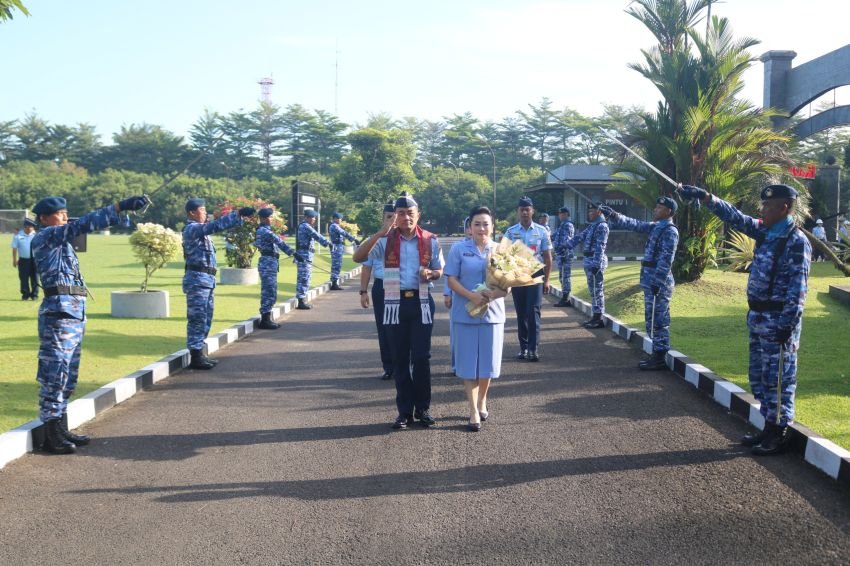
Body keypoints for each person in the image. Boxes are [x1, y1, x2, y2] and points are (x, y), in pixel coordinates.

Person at [680, 184, 811, 455]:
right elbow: (735, 217)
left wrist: (787, 324)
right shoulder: (765, 231)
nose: (762, 210)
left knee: (779, 379)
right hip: (758, 317)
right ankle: (768, 427)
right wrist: (706, 197)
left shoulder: (795, 240)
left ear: (785, 207)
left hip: (778, 322)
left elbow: (798, 289)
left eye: (768, 206)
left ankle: (779, 432)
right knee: (760, 376)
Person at [31, 194, 150, 454]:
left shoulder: (62, 241)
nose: (64, 216)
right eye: (59, 213)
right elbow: (81, 225)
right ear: (43, 218)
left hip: (72, 314)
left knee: (68, 376)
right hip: (59, 314)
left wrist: (120, 213)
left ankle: (61, 428)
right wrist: (119, 206)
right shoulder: (46, 236)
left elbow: (84, 223)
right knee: (55, 374)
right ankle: (51, 435)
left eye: (66, 212)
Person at [354, 193, 444, 429]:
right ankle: (404, 411)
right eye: (400, 214)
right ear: (394, 217)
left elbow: (439, 269)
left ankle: (423, 408)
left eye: (410, 213)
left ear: (418, 215)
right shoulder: (384, 241)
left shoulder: (430, 240)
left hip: (421, 303)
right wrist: (382, 232)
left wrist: (432, 274)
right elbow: (358, 257)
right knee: (400, 359)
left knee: (422, 358)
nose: (406, 218)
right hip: (393, 304)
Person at [445, 206, 508, 432]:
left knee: (487, 366)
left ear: (493, 227)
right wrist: (471, 295)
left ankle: (482, 400)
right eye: (477, 224)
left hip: (492, 315)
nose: (481, 228)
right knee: (469, 364)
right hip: (465, 314)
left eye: (486, 224)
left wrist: (492, 294)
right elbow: (451, 279)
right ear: (469, 227)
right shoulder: (459, 249)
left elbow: (507, 286)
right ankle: (473, 410)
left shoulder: (501, 250)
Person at [601, 197, 679, 370]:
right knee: (651, 319)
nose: (655, 209)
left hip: (659, 283)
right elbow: (634, 224)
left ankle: (659, 357)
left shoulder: (670, 231)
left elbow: (666, 260)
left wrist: (658, 282)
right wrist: (614, 215)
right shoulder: (655, 226)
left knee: (659, 319)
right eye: (656, 206)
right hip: (650, 280)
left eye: (659, 208)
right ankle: (656, 353)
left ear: (669, 212)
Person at [183, 197, 255, 370]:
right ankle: (195, 356)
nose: (205, 213)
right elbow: (213, 226)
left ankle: (200, 353)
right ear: (192, 213)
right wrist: (236, 214)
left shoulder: (202, 232)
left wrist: (238, 218)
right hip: (197, 280)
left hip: (207, 280)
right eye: (202, 210)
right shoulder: (192, 229)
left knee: (206, 319)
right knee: (197, 319)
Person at [503, 196, 552, 361]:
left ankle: (533, 348)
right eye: (522, 209)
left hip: (536, 275)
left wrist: (547, 280)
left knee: (533, 311)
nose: (524, 212)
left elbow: (547, 257)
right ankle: (523, 348)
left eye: (527, 209)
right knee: (521, 312)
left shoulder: (541, 231)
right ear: (518, 212)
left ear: (532, 211)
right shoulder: (511, 232)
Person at [359, 203, 397, 380]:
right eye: (389, 216)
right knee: (384, 329)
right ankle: (389, 366)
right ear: (383, 219)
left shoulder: (408, 238)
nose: (393, 220)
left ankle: (406, 364)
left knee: (403, 328)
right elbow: (366, 267)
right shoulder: (374, 240)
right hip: (382, 286)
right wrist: (363, 291)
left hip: (402, 286)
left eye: (395, 216)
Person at [254, 207, 306, 330]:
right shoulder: (264, 231)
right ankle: (265, 320)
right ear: (264, 218)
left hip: (270, 262)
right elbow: (280, 243)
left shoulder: (264, 230)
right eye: (270, 217)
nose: (272, 219)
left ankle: (267, 317)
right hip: (267, 263)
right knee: (269, 291)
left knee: (271, 291)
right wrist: (294, 253)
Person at [566, 202, 609, 329]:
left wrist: (596, 263)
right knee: (593, 290)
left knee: (597, 290)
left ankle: (599, 318)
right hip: (588, 260)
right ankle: (595, 315)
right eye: (589, 211)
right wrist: (566, 245)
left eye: (592, 211)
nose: (590, 213)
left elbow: (601, 246)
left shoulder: (602, 226)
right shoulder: (592, 226)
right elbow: (580, 237)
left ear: (599, 212)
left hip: (595, 261)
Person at [294, 209, 331, 310]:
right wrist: (328, 243)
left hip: (305, 254)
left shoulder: (304, 225)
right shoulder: (305, 226)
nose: (314, 219)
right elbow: (316, 235)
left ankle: (302, 299)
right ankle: (301, 301)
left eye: (314, 217)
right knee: (304, 278)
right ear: (306, 217)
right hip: (304, 255)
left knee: (305, 277)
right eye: (312, 217)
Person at [328, 212, 360, 290]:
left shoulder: (336, 226)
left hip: (339, 246)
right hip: (336, 246)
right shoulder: (334, 226)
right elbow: (343, 233)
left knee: (337, 264)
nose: (340, 220)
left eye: (341, 219)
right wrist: (354, 239)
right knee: (336, 265)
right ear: (335, 219)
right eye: (339, 218)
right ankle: (334, 283)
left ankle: (335, 282)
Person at [551, 207, 575, 307]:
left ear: (566, 214)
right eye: (559, 214)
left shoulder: (568, 225)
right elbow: (553, 236)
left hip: (565, 255)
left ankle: (565, 298)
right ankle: (565, 297)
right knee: (562, 276)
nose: (560, 215)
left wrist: (564, 252)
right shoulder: (561, 225)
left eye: (562, 214)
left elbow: (567, 240)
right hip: (560, 254)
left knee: (565, 276)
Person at [12, 217, 38, 300]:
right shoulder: (18, 236)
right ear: (26, 227)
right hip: (23, 260)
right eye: (30, 226)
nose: (32, 228)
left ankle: (34, 295)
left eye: (33, 227)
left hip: (35, 260)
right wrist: (14, 260)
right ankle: (25, 294)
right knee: (24, 278)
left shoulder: (36, 235)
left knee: (35, 278)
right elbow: (14, 249)